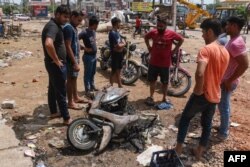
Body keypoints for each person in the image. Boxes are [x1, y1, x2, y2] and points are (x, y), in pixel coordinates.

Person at [175, 19, 230, 160]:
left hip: (203, 93)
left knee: (185, 119)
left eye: (203, 32)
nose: (202, 36)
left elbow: (200, 73)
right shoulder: (225, 52)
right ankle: (199, 151)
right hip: (215, 95)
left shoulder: (206, 50)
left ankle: (178, 149)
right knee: (207, 124)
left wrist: (198, 90)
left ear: (210, 32)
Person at [217, 16, 249, 141]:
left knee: (223, 106)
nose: (226, 27)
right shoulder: (233, 40)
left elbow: (245, 65)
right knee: (224, 105)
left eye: (228, 24)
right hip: (226, 79)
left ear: (234, 26)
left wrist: (230, 80)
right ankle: (223, 127)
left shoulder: (236, 43)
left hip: (228, 81)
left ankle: (223, 133)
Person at [41, 5, 71, 125]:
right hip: (55, 65)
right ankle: (67, 118)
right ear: (57, 14)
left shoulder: (55, 25)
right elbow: (48, 44)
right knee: (61, 91)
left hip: (52, 64)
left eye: (68, 17)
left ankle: (54, 112)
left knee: (53, 88)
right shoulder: (53, 26)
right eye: (64, 16)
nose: (66, 19)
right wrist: (57, 60)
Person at [144, 16, 184, 106]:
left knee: (165, 82)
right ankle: (151, 96)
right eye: (158, 26)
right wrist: (149, 47)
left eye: (161, 26)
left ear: (166, 25)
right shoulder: (153, 32)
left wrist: (174, 50)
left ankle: (164, 97)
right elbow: (146, 37)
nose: (159, 28)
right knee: (152, 81)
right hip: (153, 62)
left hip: (165, 64)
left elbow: (181, 40)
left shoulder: (171, 33)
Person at [63, 10, 90, 110]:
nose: (79, 22)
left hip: (75, 58)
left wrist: (81, 46)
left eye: (81, 20)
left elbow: (74, 42)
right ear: (72, 17)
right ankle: (70, 102)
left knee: (73, 79)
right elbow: (67, 46)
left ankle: (75, 97)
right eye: (78, 20)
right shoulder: (68, 28)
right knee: (70, 80)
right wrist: (74, 62)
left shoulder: (73, 28)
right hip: (71, 60)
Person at [79, 16, 99, 95]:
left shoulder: (93, 32)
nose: (97, 26)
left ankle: (92, 86)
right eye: (97, 25)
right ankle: (87, 90)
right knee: (87, 73)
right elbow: (75, 39)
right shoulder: (84, 32)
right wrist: (84, 48)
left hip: (94, 56)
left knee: (93, 72)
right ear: (93, 24)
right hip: (88, 57)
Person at [109, 17, 126, 88]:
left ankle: (119, 84)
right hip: (115, 54)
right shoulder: (112, 33)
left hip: (119, 54)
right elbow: (119, 45)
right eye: (119, 23)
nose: (120, 24)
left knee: (119, 69)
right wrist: (124, 44)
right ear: (116, 23)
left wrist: (123, 43)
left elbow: (121, 41)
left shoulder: (117, 32)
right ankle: (111, 85)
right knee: (113, 71)